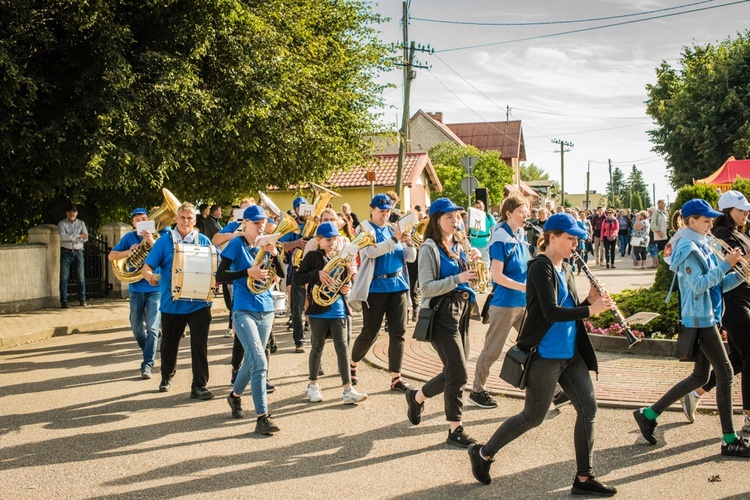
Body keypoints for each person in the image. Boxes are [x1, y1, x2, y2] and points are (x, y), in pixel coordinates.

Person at [468, 213, 618, 495]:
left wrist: (590, 301)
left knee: (588, 409)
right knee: (533, 416)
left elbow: (569, 307)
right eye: (570, 239)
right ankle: (483, 453)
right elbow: (550, 312)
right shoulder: (540, 267)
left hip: (570, 353)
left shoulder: (568, 268)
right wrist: (591, 310)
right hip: (545, 354)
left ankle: (584, 478)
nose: (576, 244)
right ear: (552, 237)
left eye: (577, 239)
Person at [632, 199, 750, 457]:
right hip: (700, 318)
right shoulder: (687, 247)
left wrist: (740, 272)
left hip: (708, 315)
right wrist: (726, 264)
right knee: (727, 373)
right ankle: (729, 439)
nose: (711, 224)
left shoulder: (702, 243)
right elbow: (699, 285)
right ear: (691, 220)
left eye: (711, 219)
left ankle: (648, 414)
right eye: (706, 220)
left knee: (700, 378)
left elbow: (717, 285)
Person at [405, 198, 480, 447]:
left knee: (452, 371)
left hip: (462, 309)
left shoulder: (459, 242)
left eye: (456, 216)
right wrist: (458, 277)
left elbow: (468, 275)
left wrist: (474, 261)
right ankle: (455, 430)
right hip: (441, 313)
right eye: (449, 216)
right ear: (436, 219)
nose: (455, 220)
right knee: (459, 373)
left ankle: (416, 397)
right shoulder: (429, 248)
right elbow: (425, 287)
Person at [679, 191, 750, 434]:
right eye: (741, 210)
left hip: (739, 299)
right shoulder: (716, 237)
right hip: (729, 306)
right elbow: (704, 282)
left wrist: (742, 269)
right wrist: (731, 264)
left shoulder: (739, 233)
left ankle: (691, 395)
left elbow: (733, 273)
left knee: (735, 362)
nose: (746, 214)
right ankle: (741, 425)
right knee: (738, 363)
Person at [214, 205, 282, 434]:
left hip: (266, 308)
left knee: (253, 361)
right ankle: (263, 416)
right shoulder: (235, 244)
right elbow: (220, 276)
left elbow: (281, 273)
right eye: (256, 222)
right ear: (245, 223)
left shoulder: (265, 244)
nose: (260, 224)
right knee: (260, 362)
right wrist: (247, 273)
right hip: (243, 309)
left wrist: (275, 255)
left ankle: (234, 396)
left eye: (262, 221)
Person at [141, 202, 215, 400]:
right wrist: (150, 276)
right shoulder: (165, 242)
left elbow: (215, 267)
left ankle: (199, 385)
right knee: (169, 344)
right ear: (176, 218)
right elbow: (147, 266)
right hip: (172, 303)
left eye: (190, 218)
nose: (186, 221)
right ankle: (166, 376)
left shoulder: (205, 241)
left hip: (199, 304)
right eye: (182, 217)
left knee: (199, 346)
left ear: (195, 220)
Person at [348, 193, 417, 391]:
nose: (385, 215)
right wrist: (395, 239)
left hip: (398, 286)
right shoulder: (364, 228)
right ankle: (352, 364)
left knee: (399, 333)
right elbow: (370, 252)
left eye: (388, 211)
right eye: (381, 211)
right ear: (371, 210)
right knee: (370, 332)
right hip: (376, 288)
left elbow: (410, 258)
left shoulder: (391, 229)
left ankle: (396, 377)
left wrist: (409, 242)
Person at [468, 193, 530, 410]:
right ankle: (477, 390)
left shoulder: (521, 234)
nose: (526, 215)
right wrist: (525, 286)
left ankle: (553, 391)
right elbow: (498, 276)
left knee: (536, 346)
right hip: (505, 304)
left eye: (527, 210)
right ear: (509, 213)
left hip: (524, 302)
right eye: (522, 211)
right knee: (492, 350)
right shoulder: (500, 237)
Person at [295, 222, 367, 404]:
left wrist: (346, 287)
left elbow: (344, 284)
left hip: (338, 309)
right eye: (328, 240)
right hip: (318, 311)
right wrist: (316, 274)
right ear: (319, 241)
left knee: (342, 349)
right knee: (317, 347)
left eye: (335, 239)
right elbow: (297, 278)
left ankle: (348, 389)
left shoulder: (341, 258)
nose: (332, 243)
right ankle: (313, 385)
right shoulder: (313, 256)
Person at [108, 208, 164, 379]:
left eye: (144, 219)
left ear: (150, 221)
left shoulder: (159, 237)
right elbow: (111, 256)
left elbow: (165, 255)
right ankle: (150, 347)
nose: (141, 222)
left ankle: (147, 364)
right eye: (137, 220)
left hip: (155, 288)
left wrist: (150, 240)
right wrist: (128, 252)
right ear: (133, 223)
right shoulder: (129, 238)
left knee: (153, 328)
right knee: (136, 329)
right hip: (136, 290)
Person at [280, 196, 311, 351]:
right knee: (297, 308)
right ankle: (299, 341)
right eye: (300, 207)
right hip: (297, 270)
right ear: (296, 210)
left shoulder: (316, 223)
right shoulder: (292, 226)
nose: (303, 210)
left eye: (305, 206)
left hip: (314, 269)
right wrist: (296, 243)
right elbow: (280, 245)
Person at [58, 203, 88, 308]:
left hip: (78, 252)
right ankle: (64, 301)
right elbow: (63, 237)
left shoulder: (81, 223)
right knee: (64, 277)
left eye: (74, 212)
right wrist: (78, 236)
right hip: (66, 252)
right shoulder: (61, 224)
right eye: (70, 212)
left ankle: (82, 299)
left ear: (77, 213)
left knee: (80, 276)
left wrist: (72, 237)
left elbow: (86, 237)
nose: (72, 213)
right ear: (66, 213)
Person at [468, 199, 496, 266]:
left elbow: (494, 230)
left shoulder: (489, 217)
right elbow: (466, 230)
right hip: (473, 245)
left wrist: (491, 242)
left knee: (485, 265)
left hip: (485, 245)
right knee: (474, 266)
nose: (479, 209)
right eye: (476, 207)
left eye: (480, 207)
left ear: (483, 207)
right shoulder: (471, 217)